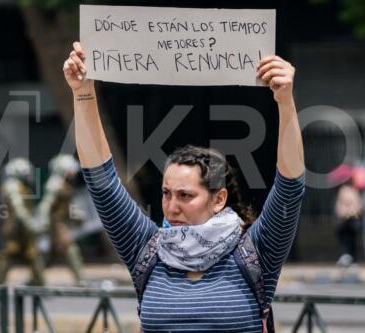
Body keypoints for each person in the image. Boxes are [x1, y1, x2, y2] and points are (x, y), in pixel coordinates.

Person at [63, 42, 305, 332]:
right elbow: (102, 183)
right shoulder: (147, 250)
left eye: (185, 195)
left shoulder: (255, 251)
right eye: (166, 193)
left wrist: (285, 101)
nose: (171, 206)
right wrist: (83, 93)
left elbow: (289, 186)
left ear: (218, 199)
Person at [0, 158, 46, 286]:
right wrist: (31, 225)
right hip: (16, 228)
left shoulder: (21, 187)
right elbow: (19, 209)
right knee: (8, 254)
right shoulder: (12, 187)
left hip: (23, 228)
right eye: (25, 173)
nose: (28, 176)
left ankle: (39, 283)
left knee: (33, 254)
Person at [37, 154, 85, 284]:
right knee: (70, 249)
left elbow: (67, 206)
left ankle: (35, 278)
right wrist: (44, 222)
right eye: (71, 169)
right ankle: (80, 280)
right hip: (56, 224)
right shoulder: (55, 185)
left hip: (60, 223)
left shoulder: (64, 185)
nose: (74, 172)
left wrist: (77, 217)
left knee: (48, 254)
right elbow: (45, 205)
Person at [334, 182, 363, 266]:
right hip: (348, 218)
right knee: (347, 239)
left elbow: (341, 204)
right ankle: (348, 257)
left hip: (349, 218)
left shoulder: (344, 190)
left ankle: (349, 257)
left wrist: (344, 212)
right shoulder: (353, 190)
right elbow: (357, 204)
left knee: (350, 240)